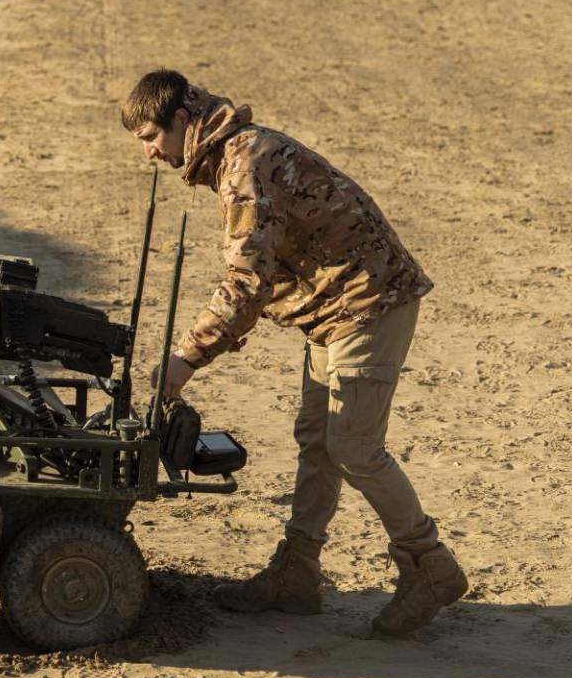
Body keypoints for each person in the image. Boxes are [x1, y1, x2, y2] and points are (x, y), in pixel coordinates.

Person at [122, 69, 467, 636]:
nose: (149, 153)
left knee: (354, 444)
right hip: (335, 310)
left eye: (148, 137)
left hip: (370, 301)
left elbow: (247, 281)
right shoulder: (234, 154)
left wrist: (185, 359)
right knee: (318, 439)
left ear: (182, 121)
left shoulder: (244, 163)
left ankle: (430, 566)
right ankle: (297, 574)